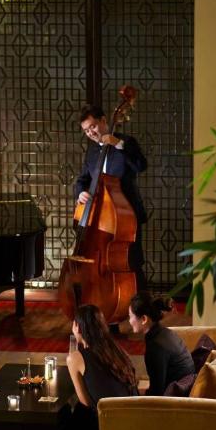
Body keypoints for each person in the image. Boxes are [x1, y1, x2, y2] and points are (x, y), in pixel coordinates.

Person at [73, 104, 149, 293]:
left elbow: (141, 166)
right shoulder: (91, 151)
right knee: (101, 262)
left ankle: (141, 309)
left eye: (93, 126)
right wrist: (80, 192)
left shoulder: (126, 142)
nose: (90, 132)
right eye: (86, 130)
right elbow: (83, 179)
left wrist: (118, 144)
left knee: (131, 261)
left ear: (104, 121)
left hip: (125, 215)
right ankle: (109, 312)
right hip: (101, 218)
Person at [63, 304, 139, 430]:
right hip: (134, 414)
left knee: (77, 416)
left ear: (78, 327)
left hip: (111, 420)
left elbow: (85, 401)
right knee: (82, 417)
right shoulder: (116, 349)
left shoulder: (75, 358)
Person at [129, 292, 194, 396]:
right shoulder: (165, 333)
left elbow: (156, 393)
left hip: (177, 400)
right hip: (184, 388)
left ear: (144, 319)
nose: (129, 321)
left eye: (130, 316)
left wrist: (136, 394)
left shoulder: (156, 347)